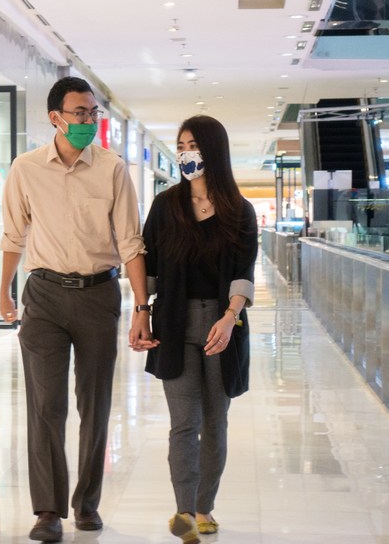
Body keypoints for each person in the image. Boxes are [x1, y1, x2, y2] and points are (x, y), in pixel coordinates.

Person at [0, 76, 155, 542]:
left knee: (94, 403)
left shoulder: (111, 168)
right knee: (46, 405)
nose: (88, 121)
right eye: (79, 113)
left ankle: (86, 502)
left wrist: (142, 307)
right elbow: (13, 235)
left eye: (93, 113)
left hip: (97, 294)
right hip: (43, 294)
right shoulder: (25, 168)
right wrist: (4, 289)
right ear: (55, 118)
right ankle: (47, 510)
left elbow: (131, 242)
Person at [131, 115, 258, 544]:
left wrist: (230, 317)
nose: (187, 153)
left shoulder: (239, 210)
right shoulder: (166, 206)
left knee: (216, 421)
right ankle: (184, 511)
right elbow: (147, 267)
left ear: (214, 152)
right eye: (182, 145)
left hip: (222, 327)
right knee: (184, 422)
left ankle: (205, 508)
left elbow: (244, 273)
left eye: (194, 146)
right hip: (175, 322)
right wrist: (140, 312)